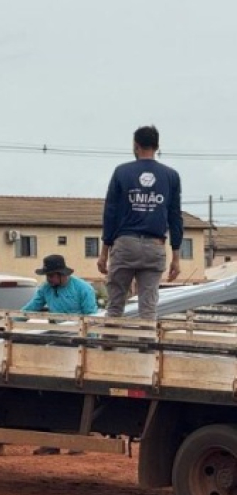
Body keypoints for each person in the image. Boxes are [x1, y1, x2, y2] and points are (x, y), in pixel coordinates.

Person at [98, 125, 183, 320]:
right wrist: (176, 256)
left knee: (115, 306)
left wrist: (104, 253)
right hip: (155, 245)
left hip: (125, 243)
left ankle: (108, 347)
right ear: (157, 146)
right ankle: (147, 350)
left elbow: (110, 213)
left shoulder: (121, 172)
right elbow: (175, 217)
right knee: (148, 309)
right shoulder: (171, 176)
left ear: (136, 146)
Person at [22, 254, 97, 455]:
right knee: (52, 391)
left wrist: (92, 345)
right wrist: (12, 321)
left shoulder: (83, 289)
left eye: (52, 276)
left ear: (62, 274)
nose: (49, 280)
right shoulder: (46, 289)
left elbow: (92, 316)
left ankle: (78, 440)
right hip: (58, 344)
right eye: (47, 276)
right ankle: (52, 440)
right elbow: (31, 309)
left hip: (80, 343)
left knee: (78, 392)